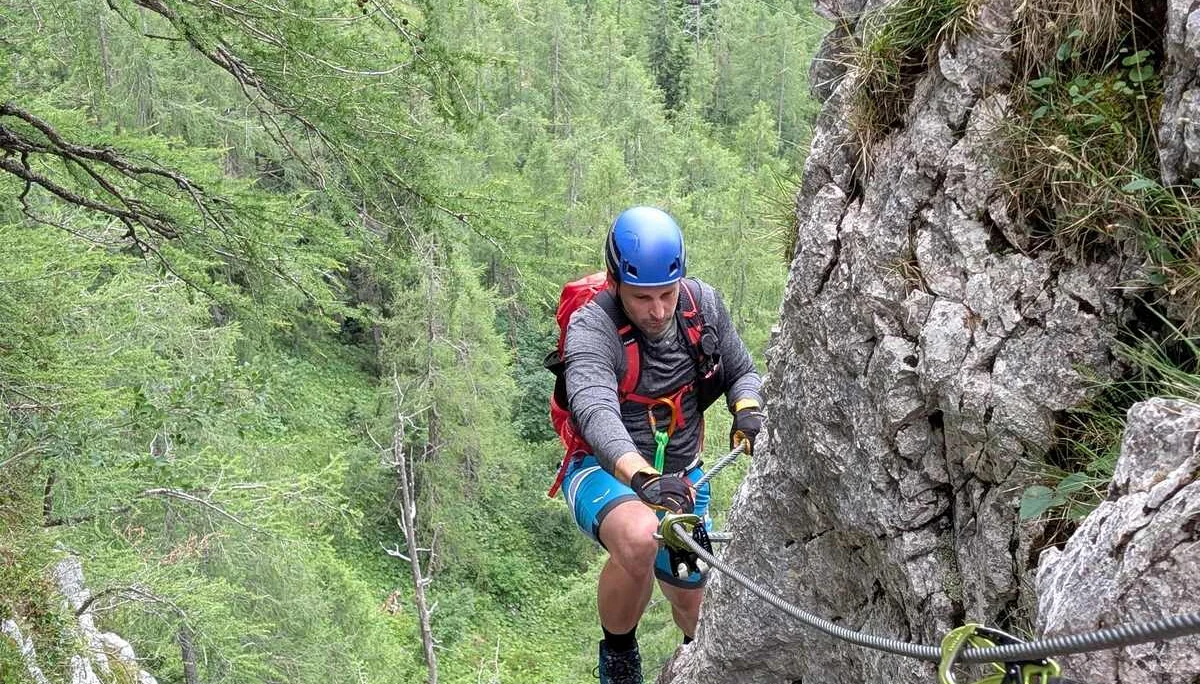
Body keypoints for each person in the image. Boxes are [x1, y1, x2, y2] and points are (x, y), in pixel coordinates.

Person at [559, 206, 764, 684]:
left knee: (695, 601)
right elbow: (593, 410)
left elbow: (741, 371)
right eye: (641, 297)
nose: (657, 310)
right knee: (637, 537)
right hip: (603, 471)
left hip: (685, 478)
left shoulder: (702, 307)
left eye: (667, 294)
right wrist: (642, 477)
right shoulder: (593, 328)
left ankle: (700, 665)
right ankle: (619, 656)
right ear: (615, 284)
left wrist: (747, 408)